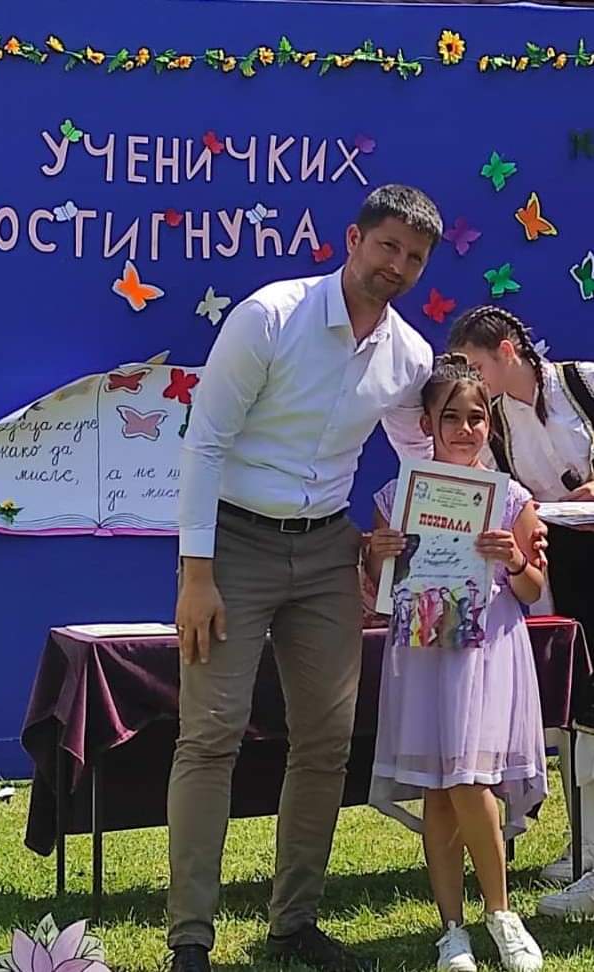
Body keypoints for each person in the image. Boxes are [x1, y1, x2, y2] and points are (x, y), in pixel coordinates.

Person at [168, 184, 445, 972]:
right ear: (352, 240)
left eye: (414, 257)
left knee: (325, 742)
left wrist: (455, 522)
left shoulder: (410, 355)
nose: (397, 265)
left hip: (329, 551)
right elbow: (204, 444)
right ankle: (190, 939)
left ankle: (293, 925)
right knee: (210, 736)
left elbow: (419, 456)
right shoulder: (268, 316)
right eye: (387, 246)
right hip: (232, 546)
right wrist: (196, 575)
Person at [367, 352, 547, 972]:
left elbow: (531, 590)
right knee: (440, 788)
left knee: (470, 779)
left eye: (476, 418)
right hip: (424, 648)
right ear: (427, 424)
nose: (465, 430)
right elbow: (379, 587)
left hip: (487, 650)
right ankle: (453, 930)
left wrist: (513, 559)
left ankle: (501, 914)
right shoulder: (398, 497)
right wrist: (380, 552)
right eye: (451, 418)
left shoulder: (510, 499)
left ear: (489, 425)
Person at [448, 305, 594, 917]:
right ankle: (585, 846)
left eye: (476, 365)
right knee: (577, 706)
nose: (473, 381)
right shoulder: (498, 424)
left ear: (506, 351)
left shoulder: (582, 381)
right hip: (560, 564)